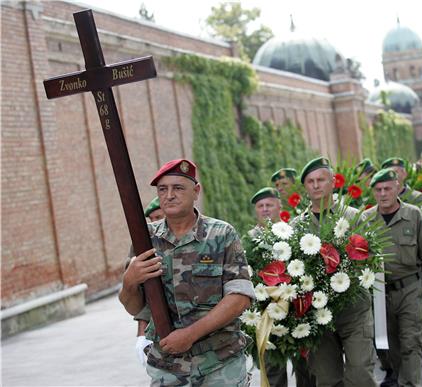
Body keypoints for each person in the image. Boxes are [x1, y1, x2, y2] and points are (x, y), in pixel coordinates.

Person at [119, 159, 255, 386]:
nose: (169, 195)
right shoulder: (145, 239)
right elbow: (135, 307)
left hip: (220, 361)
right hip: (168, 367)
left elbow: (239, 298)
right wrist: (129, 282)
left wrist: (190, 335)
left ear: (196, 191)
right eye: (163, 189)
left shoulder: (221, 234)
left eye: (178, 188)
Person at [292, 157, 376, 387]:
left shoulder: (353, 217)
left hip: (354, 311)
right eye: (310, 181)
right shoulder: (296, 226)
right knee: (327, 380)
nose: (316, 185)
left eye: (321, 179)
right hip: (318, 317)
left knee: (360, 374)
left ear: (332, 182)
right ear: (305, 187)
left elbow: (371, 261)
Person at [361, 168, 422, 387]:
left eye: (387, 188)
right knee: (389, 344)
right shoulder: (366, 219)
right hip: (379, 293)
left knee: (410, 342)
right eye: (378, 189)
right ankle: (398, 376)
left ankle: (411, 384)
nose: (383, 193)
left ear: (397, 187)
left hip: (409, 289)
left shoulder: (413, 215)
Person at [248, 187, 317, 387]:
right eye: (260, 206)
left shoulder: (293, 234)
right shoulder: (250, 238)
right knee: (272, 369)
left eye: (269, 205)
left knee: (306, 367)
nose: (265, 209)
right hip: (267, 314)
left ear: (280, 206)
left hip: (297, 311)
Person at [134, 196, 166, 367]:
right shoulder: (144, 246)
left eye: (158, 217)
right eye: (151, 219)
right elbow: (144, 294)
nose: (154, 223)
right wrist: (141, 334)